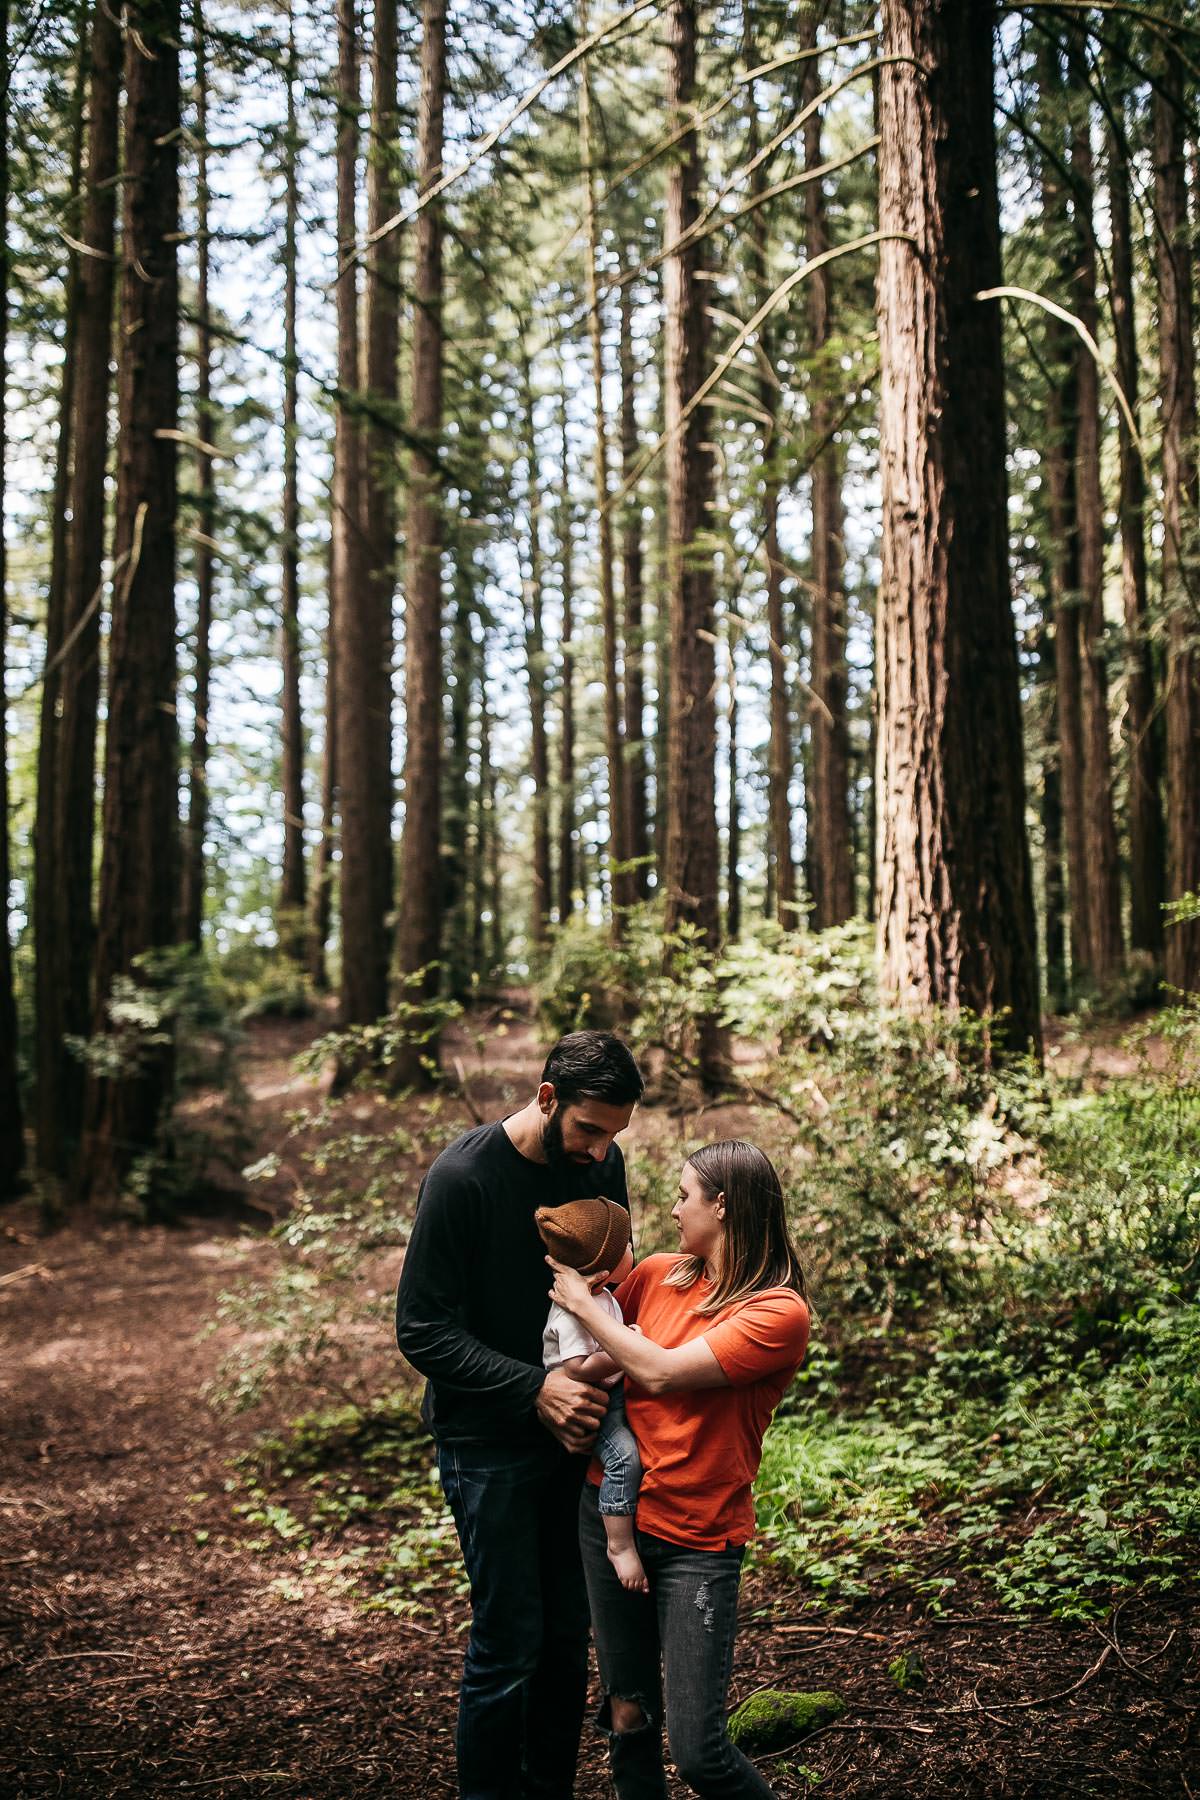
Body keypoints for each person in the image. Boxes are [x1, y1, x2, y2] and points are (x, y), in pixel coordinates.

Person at [394, 1030, 644, 1800]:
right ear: (546, 1099)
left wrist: (595, 1374)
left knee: (569, 1640)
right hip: (488, 1442)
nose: (602, 1151)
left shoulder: (601, 1163)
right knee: (509, 1645)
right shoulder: (463, 1178)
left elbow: (609, 1282)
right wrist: (535, 1388)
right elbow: (421, 1328)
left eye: (615, 1134)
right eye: (589, 1130)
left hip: (576, 1440)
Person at [545, 1139, 810, 1800]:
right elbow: (598, 1330)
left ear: (722, 1205)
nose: (671, 1209)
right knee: (628, 1715)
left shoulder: (776, 1312)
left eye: (684, 1195)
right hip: (609, 1518)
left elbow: (658, 1371)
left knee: (699, 1752)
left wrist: (579, 1303)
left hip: (697, 1539)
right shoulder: (659, 1273)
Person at [535, 1197, 647, 1594]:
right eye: (626, 1246)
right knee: (625, 1459)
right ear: (602, 1270)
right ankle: (619, 1545)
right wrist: (626, 1349)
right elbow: (579, 1369)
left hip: (608, 1388)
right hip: (588, 1400)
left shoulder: (598, 1297)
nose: (633, 1248)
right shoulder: (572, 1313)